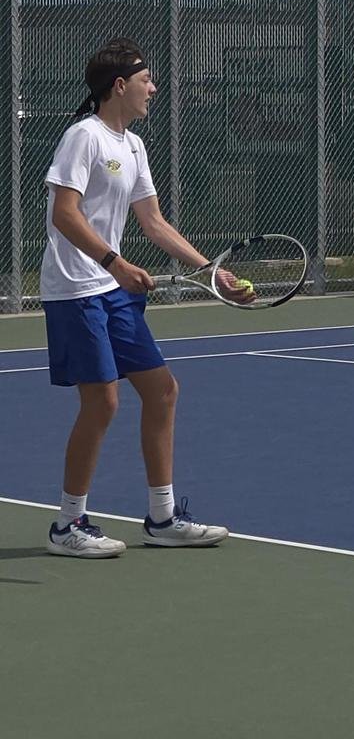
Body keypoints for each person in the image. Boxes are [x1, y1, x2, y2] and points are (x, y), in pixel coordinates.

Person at [42, 37, 235, 558]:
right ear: (120, 85)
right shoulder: (84, 138)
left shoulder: (133, 146)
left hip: (112, 290)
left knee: (162, 390)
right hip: (76, 289)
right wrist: (116, 264)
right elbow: (65, 213)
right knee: (103, 402)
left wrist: (209, 270)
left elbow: (152, 222)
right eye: (147, 80)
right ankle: (68, 525)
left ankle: (163, 516)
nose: (154, 88)